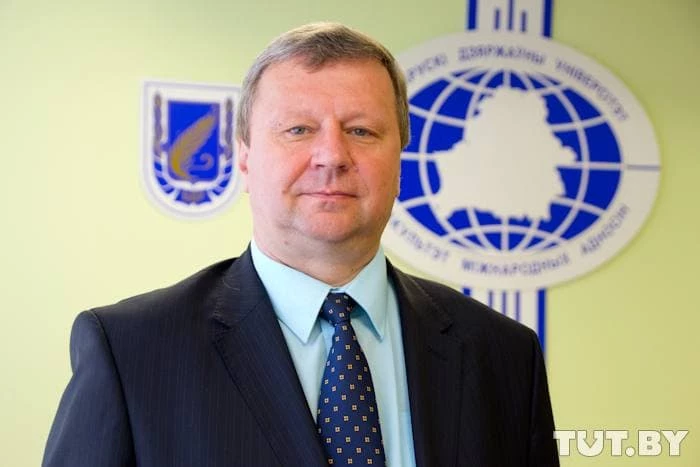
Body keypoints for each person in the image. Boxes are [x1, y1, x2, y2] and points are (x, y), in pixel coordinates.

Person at [43, 22, 559, 467]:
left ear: (399, 159)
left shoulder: (504, 355)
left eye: (362, 131)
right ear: (244, 157)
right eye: (298, 129)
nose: (332, 155)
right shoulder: (131, 351)